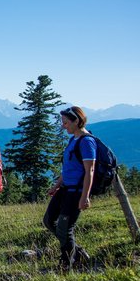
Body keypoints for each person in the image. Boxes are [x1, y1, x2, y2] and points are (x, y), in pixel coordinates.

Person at [43, 106, 94, 271]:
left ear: (76, 121)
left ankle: (66, 265)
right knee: (49, 221)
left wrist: (85, 196)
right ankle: (77, 252)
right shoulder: (73, 140)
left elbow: (89, 171)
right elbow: (67, 169)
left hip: (76, 192)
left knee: (65, 228)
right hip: (64, 189)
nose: (63, 126)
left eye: (65, 122)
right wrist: (56, 186)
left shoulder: (87, 142)